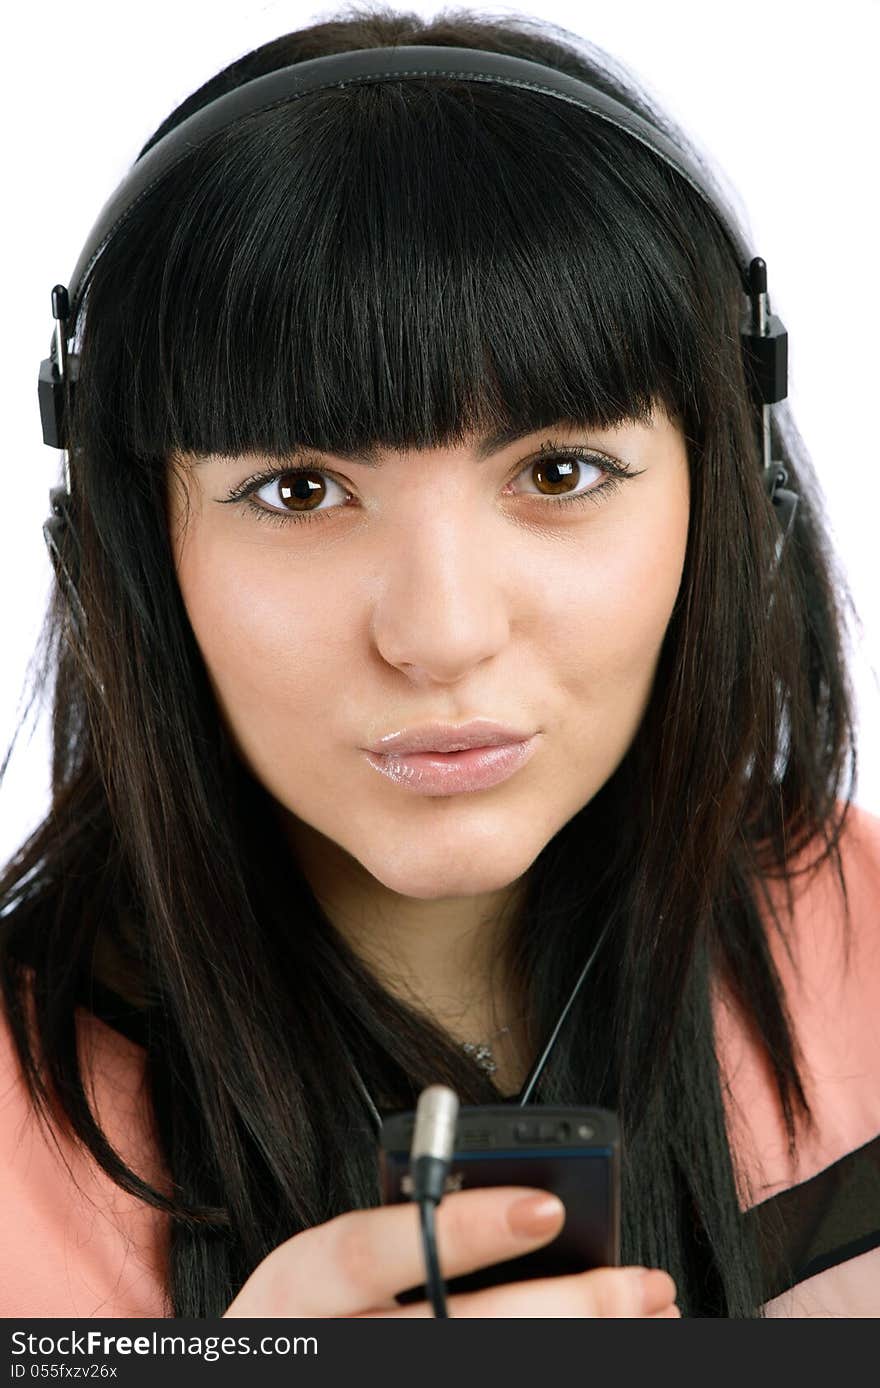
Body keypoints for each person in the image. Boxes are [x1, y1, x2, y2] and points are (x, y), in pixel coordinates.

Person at [1, 2, 877, 1320]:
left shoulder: (856, 931)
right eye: (299, 490)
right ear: (126, 552)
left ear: (728, 501)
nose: (443, 632)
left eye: (562, 471)